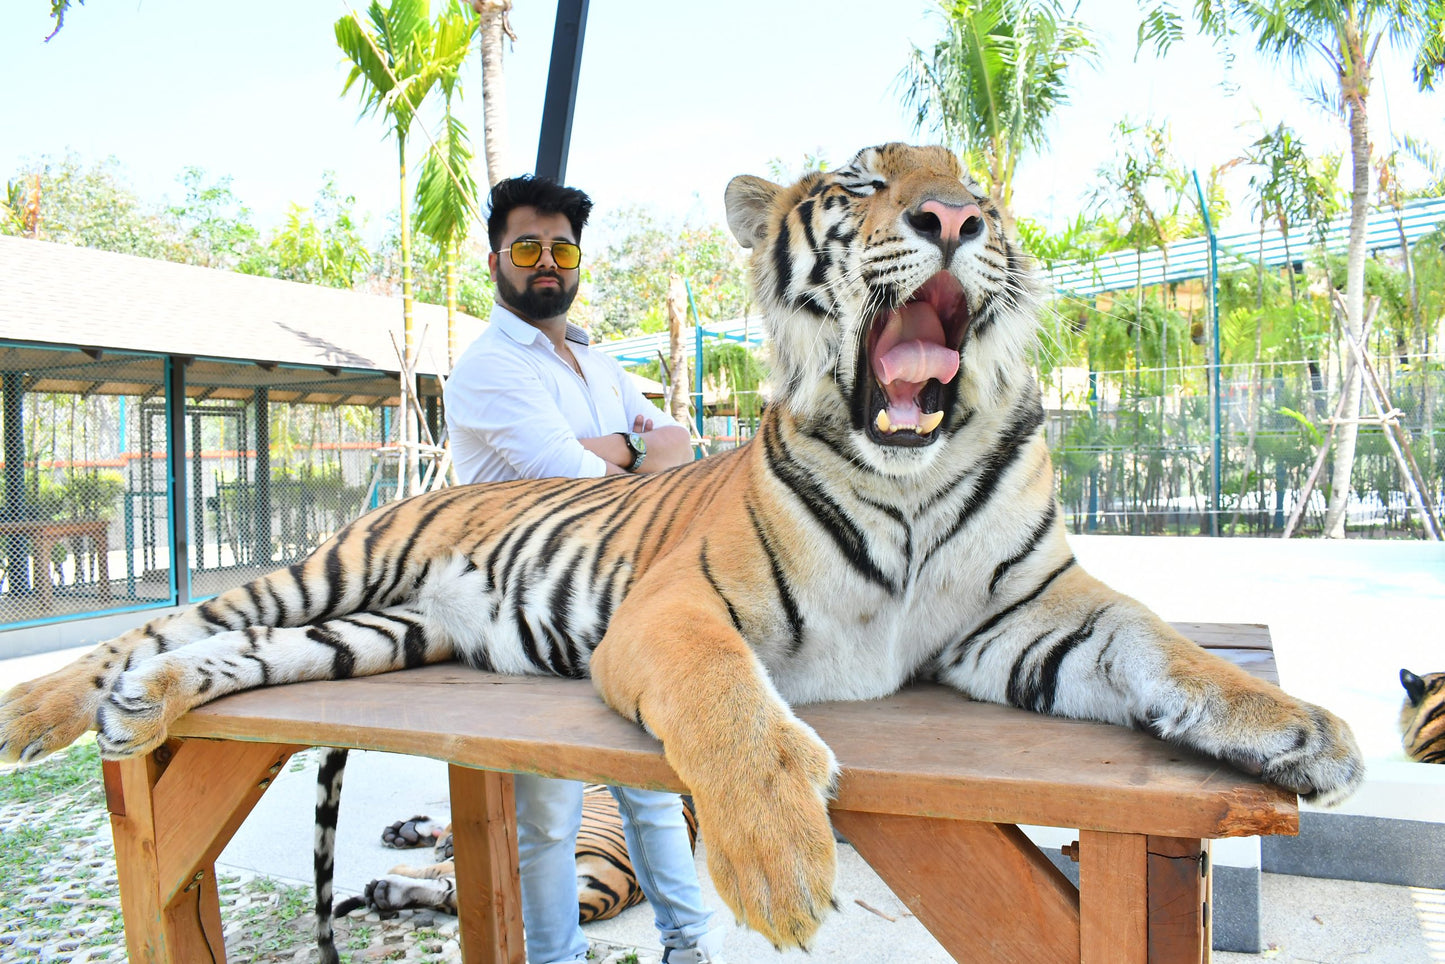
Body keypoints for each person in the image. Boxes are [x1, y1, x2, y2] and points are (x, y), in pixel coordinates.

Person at [443, 174, 725, 964]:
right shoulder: (489, 367)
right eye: (527, 247)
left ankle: (687, 946)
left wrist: (620, 456)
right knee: (548, 816)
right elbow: (568, 476)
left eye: (561, 249)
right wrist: (633, 452)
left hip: (624, 602)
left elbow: (679, 450)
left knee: (655, 790)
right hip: (527, 614)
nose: (547, 264)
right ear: (494, 258)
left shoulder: (599, 366)